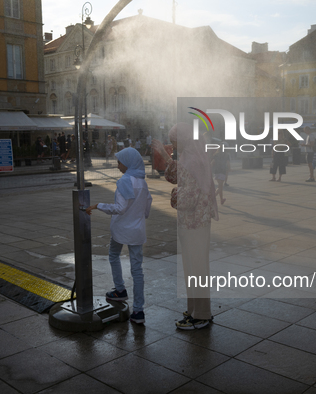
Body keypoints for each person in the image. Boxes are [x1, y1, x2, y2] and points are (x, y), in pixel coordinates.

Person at [152, 123, 218, 330]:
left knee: (195, 268)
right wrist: (165, 154)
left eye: (174, 141)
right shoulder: (194, 155)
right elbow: (174, 176)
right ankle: (195, 310)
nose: (173, 145)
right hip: (196, 222)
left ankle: (200, 315)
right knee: (194, 267)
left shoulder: (192, 159)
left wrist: (173, 196)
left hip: (193, 222)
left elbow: (186, 197)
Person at [86, 148, 152, 324]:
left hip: (120, 230)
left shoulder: (124, 181)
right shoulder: (142, 182)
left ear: (128, 163)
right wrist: (138, 217)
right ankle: (138, 311)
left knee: (114, 255)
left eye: (120, 162)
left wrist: (98, 205)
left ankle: (120, 290)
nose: (118, 165)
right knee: (137, 270)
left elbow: (120, 208)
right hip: (137, 232)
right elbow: (147, 206)